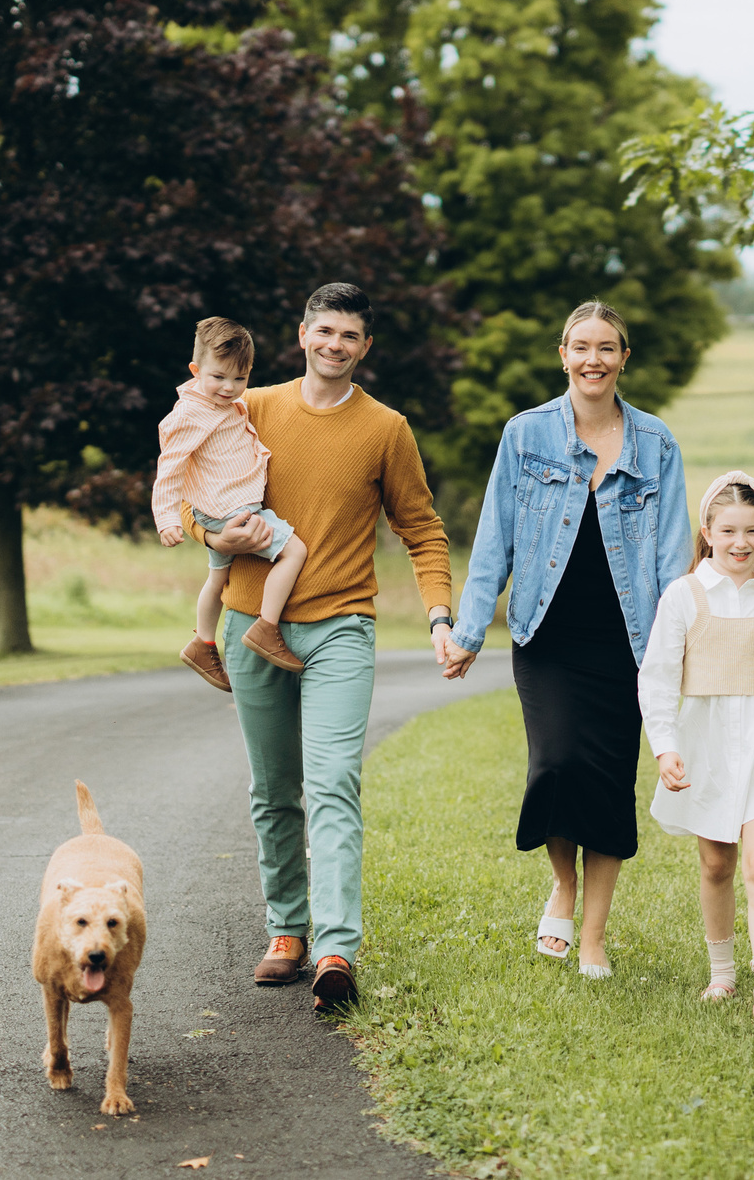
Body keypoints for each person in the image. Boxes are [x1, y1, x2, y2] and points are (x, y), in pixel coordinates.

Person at [204, 282, 454, 1014]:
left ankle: (336, 947)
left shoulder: (386, 429)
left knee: (334, 781)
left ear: (364, 346)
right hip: (250, 624)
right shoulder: (251, 408)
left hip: (341, 625)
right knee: (273, 788)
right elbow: (196, 488)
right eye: (325, 330)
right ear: (303, 334)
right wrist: (210, 531)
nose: (335, 344)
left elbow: (422, 528)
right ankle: (286, 930)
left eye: (349, 335)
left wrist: (440, 614)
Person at [436, 301, 690, 979]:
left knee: (608, 782)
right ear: (563, 354)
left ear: (624, 357)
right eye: (581, 346)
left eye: (606, 347)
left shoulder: (656, 443)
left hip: (627, 641)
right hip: (545, 632)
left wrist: (676, 651)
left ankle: (596, 937)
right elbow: (495, 537)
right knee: (555, 764)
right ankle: (563, 885)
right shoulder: (526, 435)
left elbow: (673, 559)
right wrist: (468, 630)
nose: (593, 359)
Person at [636, 472, 754, 1028]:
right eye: (729, 531)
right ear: (708, 533)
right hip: (705, 744)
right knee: (717, 865)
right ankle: (722, 973)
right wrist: (665, 747)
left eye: (752, 531)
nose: (741, 542)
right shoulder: (683, 595)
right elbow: (657, 678)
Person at [153, 317, 309, 686]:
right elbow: (170, 467)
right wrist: (167, 518)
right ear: (196, 371)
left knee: (218, 577)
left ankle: (202, 643)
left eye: (240, 379)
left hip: (220, 510)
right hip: (232, 511)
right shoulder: (191, 414)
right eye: (218, 377)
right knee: (294, 552)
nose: (229, 387)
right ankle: (266, 627)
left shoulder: (222, 405)